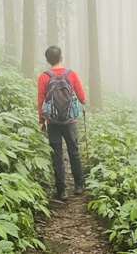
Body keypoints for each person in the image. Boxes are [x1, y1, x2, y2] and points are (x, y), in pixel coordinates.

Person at [38, 45, 86, 201]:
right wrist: (82, 101)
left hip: (52, 121)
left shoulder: (44, 77)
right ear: (61, 57)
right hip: (70, 120)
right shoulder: (71, 74)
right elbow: (82, 97)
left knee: (57, 154)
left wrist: (42, 121)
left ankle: (61, 191)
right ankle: (79, 185)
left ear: (47, 60)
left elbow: (41, 100)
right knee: (74, 151)